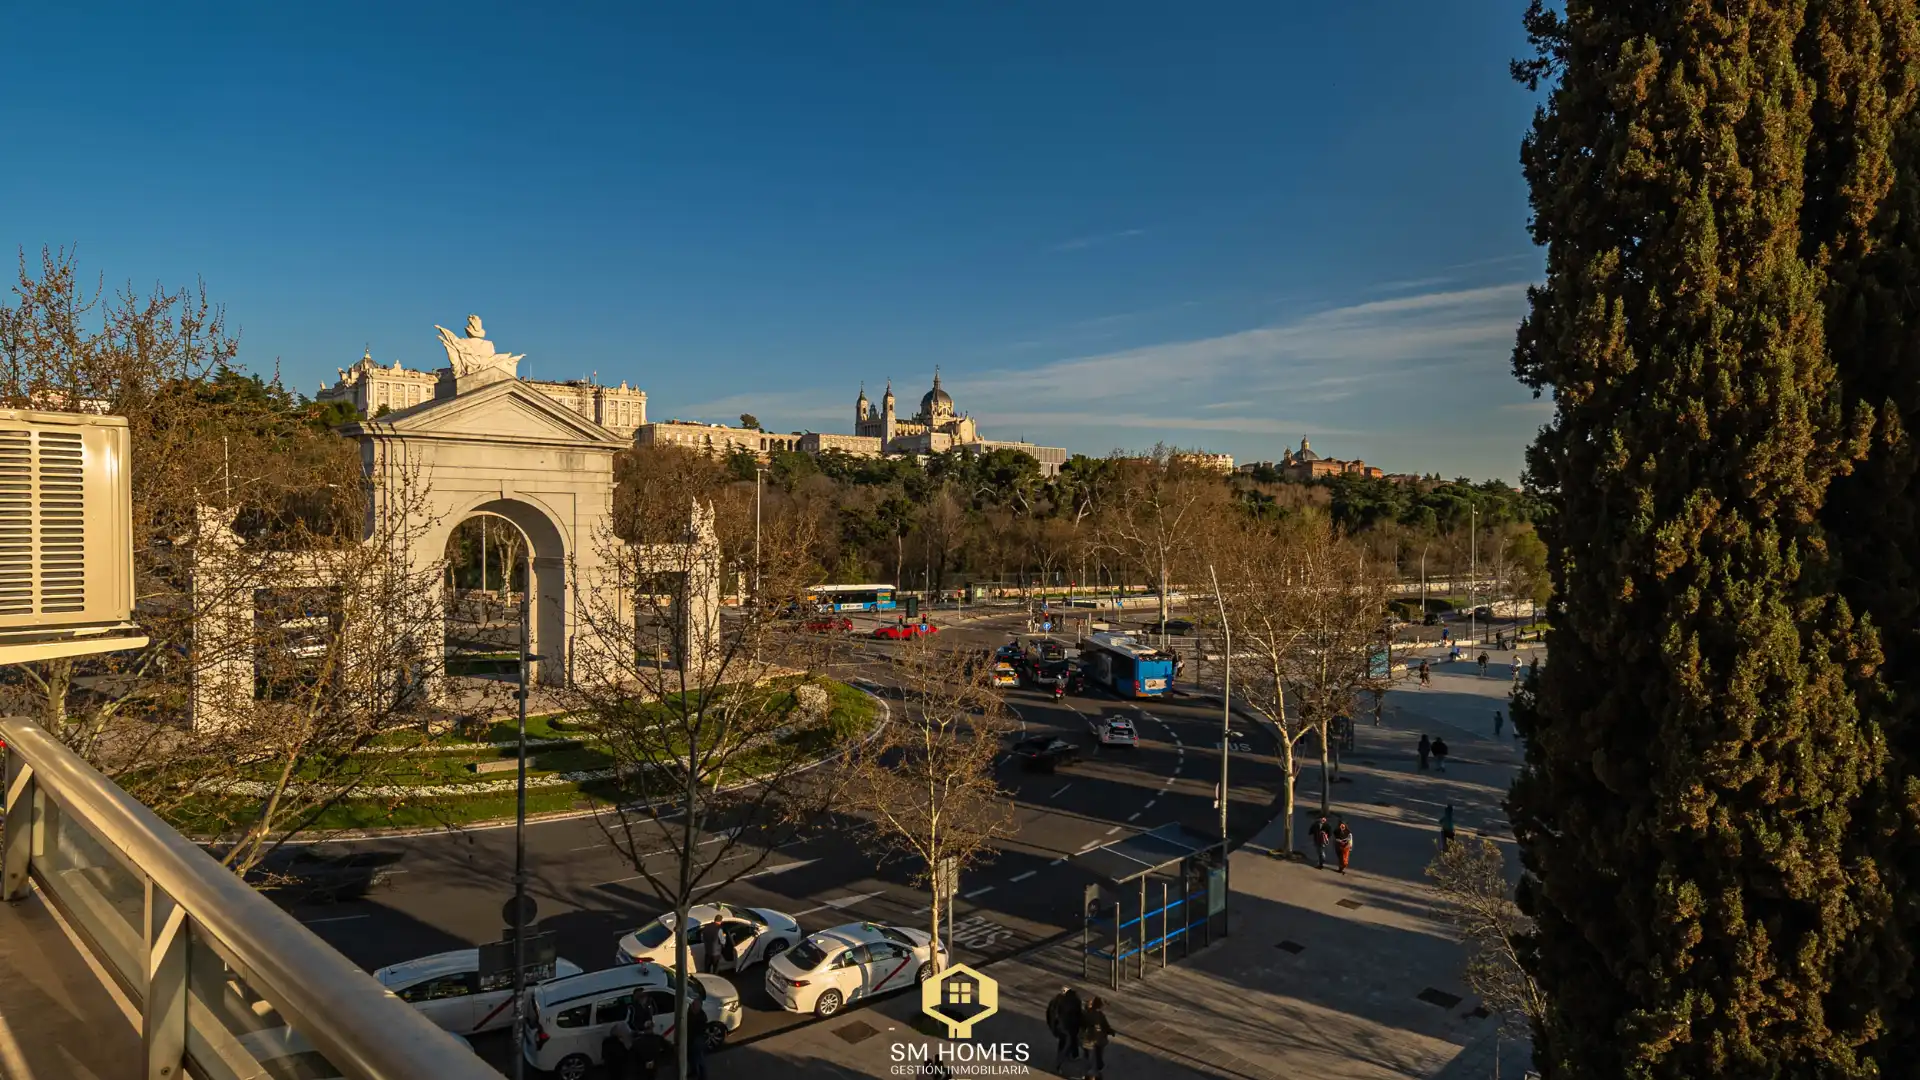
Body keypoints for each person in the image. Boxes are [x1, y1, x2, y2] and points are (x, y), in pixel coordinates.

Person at [1046, 986, 1083, 1071]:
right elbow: (1079, 1014)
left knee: (1065, 1043)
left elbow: (1051, 1015)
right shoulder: (1074, 1000)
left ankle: (1067, 1058)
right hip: (1067, 1027)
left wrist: (1053, 1027)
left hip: (1064, 1027)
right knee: (1066, 1043)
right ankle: (1061, 1063)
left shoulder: (1056, 1001)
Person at [1080, 995, 1115, 1080]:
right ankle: (1095, 1071)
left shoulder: (1088, 1014)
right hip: (1097, 1039)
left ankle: (1092, 1072)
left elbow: (1082, 1026)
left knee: (1089, 1057)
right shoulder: (1098, 1015)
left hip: (1090, 1039)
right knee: (1094, 1057)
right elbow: (1105, 1026)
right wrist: (1110, 1031)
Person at [685, 1006, 711, 1080]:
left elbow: (701, 1029)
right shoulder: (690, 1013)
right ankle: (694, 1072)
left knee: (699, 1060)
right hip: (691, 1039)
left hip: (697, 1040)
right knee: (691, 1058)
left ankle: (702, 1077)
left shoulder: (701, 1016)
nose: (692, 1007)